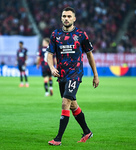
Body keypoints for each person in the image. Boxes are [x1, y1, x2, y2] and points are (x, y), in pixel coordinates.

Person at [47, 7, 99, 146]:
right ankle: (87, 132)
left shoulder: (81, 35)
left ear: (74, 18)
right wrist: (52, 67)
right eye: (64, 16)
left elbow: (89, 55)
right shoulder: (55, 34)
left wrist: (95, 75)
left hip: (75, 74)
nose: (66, 18)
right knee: (72, 104)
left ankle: (58, 139)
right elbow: (50, 54)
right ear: (61, 18)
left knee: (65, 102)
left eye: (69, 16)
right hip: (61, 74)